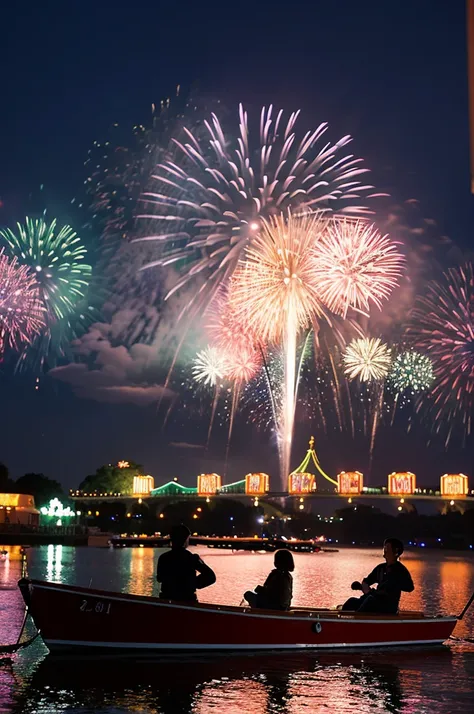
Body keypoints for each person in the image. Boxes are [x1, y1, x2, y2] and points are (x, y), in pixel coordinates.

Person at [341, 537, 414, 614]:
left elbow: (410, 587)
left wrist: (395, 583)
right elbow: (367, 581)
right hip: (374, 598)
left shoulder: (400, 570)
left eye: (387, 548)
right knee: (352, 601)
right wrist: (364, 586)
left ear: (396, 551)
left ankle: (357, 620)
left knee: (370, 601)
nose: (384, 550)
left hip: (388, 606)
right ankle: (341, 620)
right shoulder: (381, 568)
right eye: (384, 547)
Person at [157, 524, 216, 602]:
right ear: (185, 540)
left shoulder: (163, 558)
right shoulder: (192, 558)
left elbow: (159, 578)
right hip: (188, 600)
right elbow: (211, 577)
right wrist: (193, 583)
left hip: (166, 599)